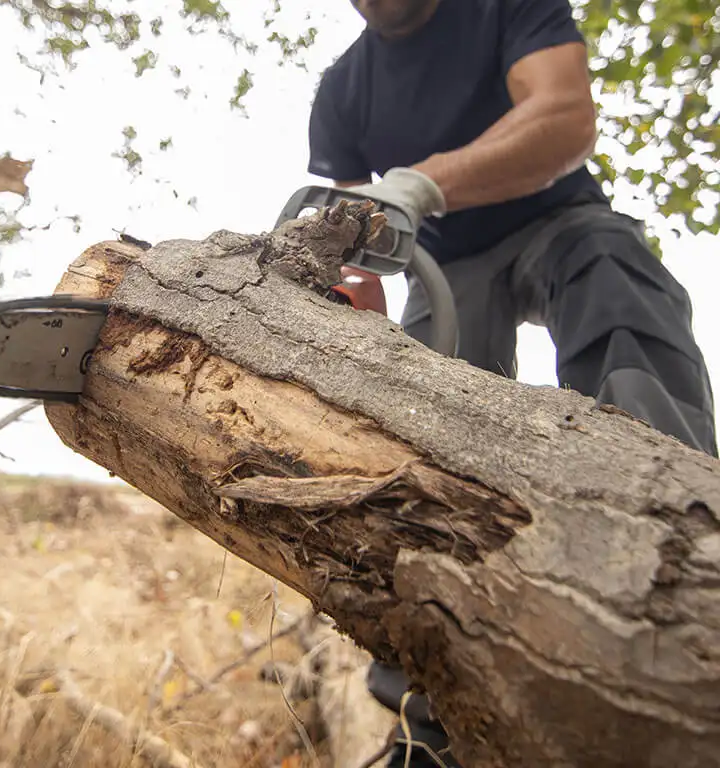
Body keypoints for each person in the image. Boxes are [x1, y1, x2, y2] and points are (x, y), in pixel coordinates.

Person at [306, 0, 719, 765]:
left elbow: (563, 115)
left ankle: (684, 538)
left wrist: (427, 182)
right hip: (447, 271)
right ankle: (432, 724)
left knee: (614, 277)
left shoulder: (505, 7)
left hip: (560, 220)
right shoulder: (340, 95)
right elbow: (358, 239)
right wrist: (352, 313)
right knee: (422, 418)